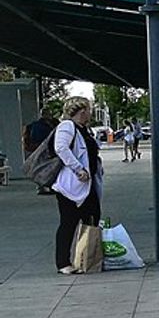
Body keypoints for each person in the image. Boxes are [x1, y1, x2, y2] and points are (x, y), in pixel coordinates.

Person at [52, 96, 102, 274]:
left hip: (88, 185)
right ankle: (63, 263)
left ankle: (86, 258)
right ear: (82, 111)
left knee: (93, 217)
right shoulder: (67, 127)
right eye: (89, 109)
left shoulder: (84, 129)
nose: (90, 113)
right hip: (70, 186)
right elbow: (61, 148)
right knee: (68, 222)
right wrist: (78, 168)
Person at [22, 108, 58, 194]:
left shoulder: (35, 125)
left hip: (39, 149)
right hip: (46, 149)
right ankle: (46, 185)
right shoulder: (52, 124)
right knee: (49, 168)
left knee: (40, 168)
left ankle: (42, 186)